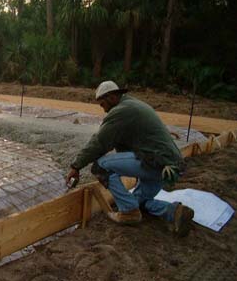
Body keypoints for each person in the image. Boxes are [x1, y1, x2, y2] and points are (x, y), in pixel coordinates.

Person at [66, 80, 194, 237]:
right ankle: (174, 212)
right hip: (168, 166)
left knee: (101, 166)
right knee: (139, 203)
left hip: (157, 164)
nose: (104, 109)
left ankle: (127, 212)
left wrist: (76, 166)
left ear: (112, 97)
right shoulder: (133, 105)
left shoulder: (122, 111)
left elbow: (99, 142)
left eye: (102, 104)